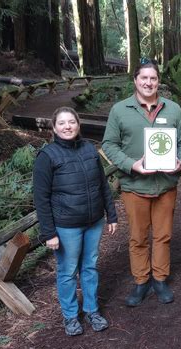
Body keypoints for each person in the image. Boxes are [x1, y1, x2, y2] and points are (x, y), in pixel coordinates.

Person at [102, 59, 181, 307]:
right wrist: (131, 164)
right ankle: (141, 281)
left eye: (153, 78)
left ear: (158, 82)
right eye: (144, 78)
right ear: (135, 80)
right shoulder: (121, 110)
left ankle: (160, 279)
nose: (148, 82)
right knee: (138, 237)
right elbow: (108, 144)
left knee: (163, 236)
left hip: (165, 185)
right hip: (135, 187)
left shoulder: (172, 109)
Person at [33, 107, 118, 336]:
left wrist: (111, 214)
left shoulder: (89, 149)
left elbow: (102, 184)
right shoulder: (47, 156)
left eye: (72, 121)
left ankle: (92, 310)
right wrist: (49, 233)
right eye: (62, 123)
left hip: (94, 222)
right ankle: (70, 316)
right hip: (66, 225)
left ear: (78, 125)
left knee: (89, 267)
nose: (67, 126)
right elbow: (41, 198)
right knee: (68, 271)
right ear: (54, 128)